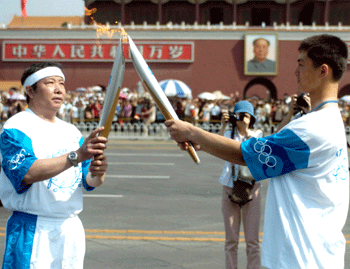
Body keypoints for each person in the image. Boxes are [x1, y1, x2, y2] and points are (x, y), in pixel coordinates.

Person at [165, 34, 349, 268]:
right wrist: (207, 141)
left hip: (301, 258)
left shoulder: (312, 128)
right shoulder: (329, 120)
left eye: (301, 64)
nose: (295, 71)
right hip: (318, 254)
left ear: (323, 71)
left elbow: (247, 154)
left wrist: (192, 132)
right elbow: (268, 145)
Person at [0, 62, 108, 269]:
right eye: (50, 83)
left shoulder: (71, 131)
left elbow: (87, 180)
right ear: (30, 90)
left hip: (70, 227)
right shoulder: (16, 127)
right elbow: (27, 172)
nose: (59, 89)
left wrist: (99, 172)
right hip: (33, 227)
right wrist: (77, 155)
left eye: (62, 83)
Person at [218, 101, 263, 269]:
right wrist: (223, 125)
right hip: (229, 185)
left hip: (252, 188)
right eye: (240, 114)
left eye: (246, 115)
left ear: (251, 118)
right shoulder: (229, 133)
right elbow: (218, 146)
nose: (242, 118)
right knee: (231, 241)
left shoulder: (257, 134)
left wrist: (246, 132)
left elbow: (255, 153)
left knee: (252, 241)